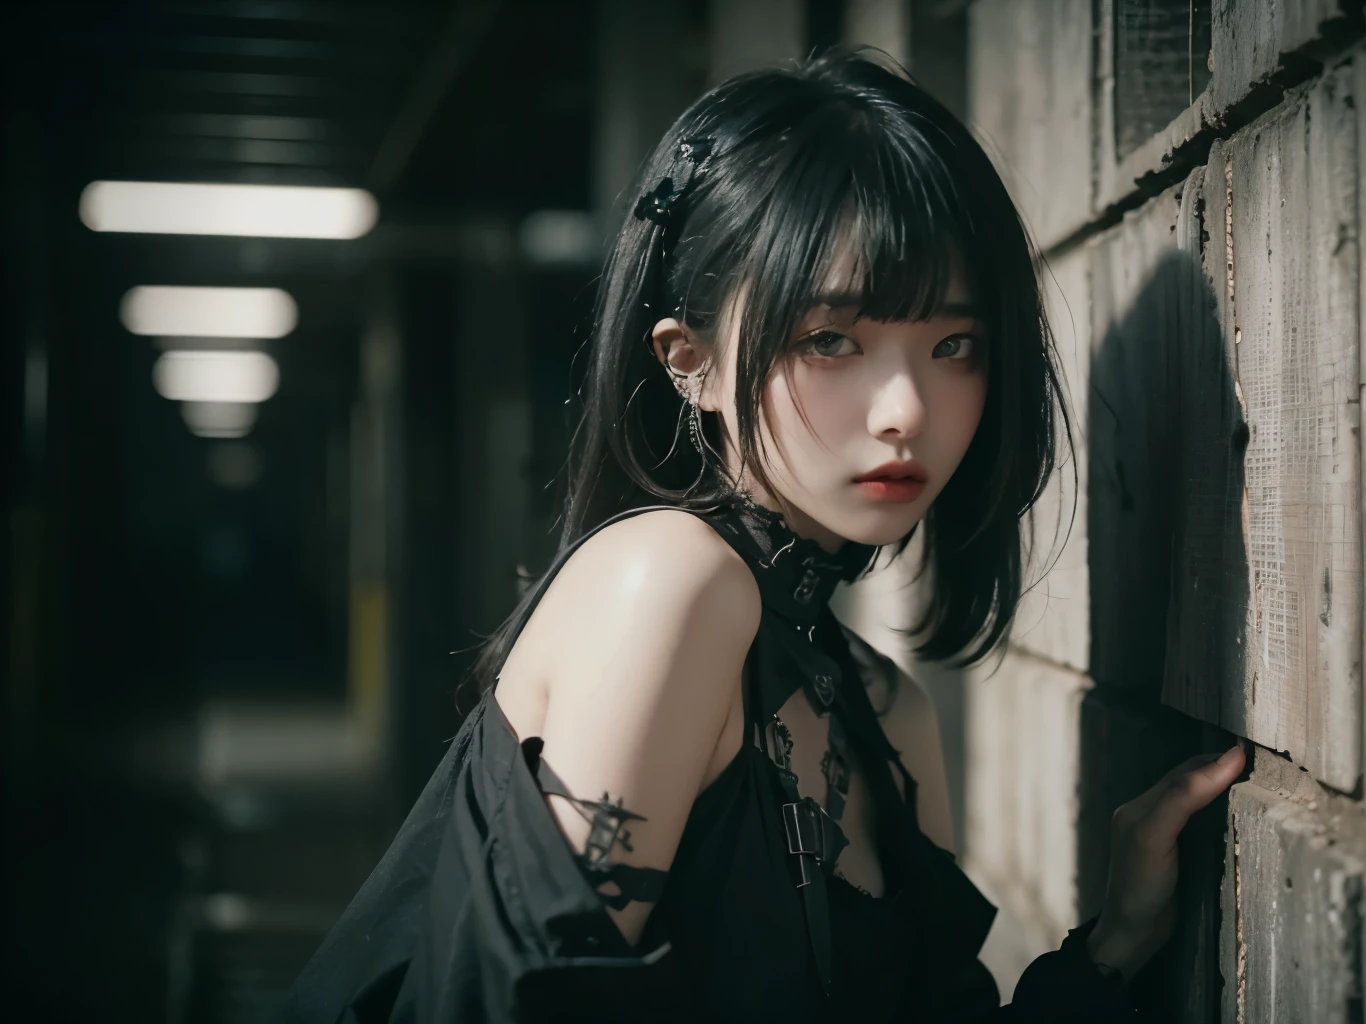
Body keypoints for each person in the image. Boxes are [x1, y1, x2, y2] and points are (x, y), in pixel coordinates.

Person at [283, 48, 1246, 1023]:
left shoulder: (889, 715)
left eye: (956, 346)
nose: (906, 408)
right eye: (830, 340)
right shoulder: (670, 582)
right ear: (689, 361)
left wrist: (1119, 939)